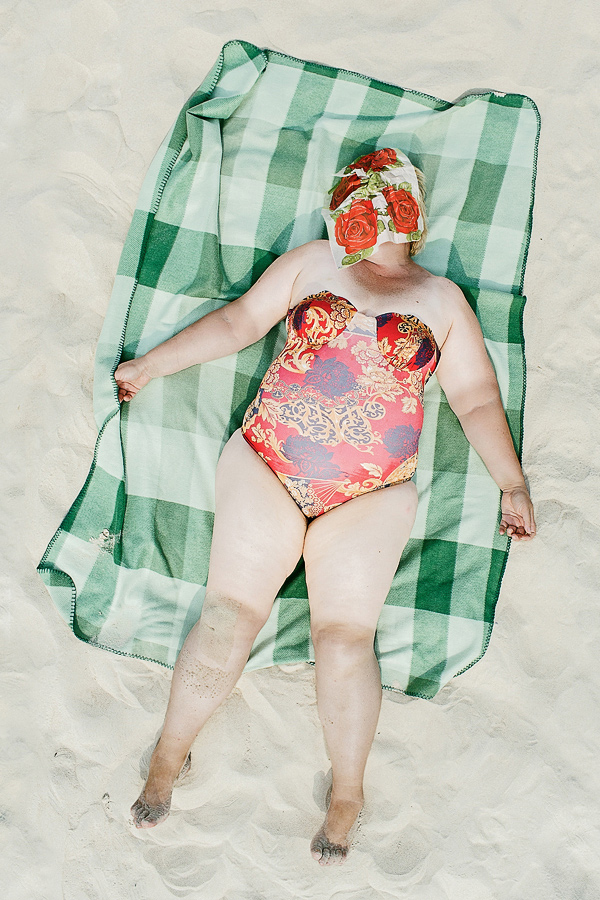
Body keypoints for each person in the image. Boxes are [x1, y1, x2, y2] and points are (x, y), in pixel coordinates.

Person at [114, 148, 536, 865]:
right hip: (269, 465)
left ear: (410, 218)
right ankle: (168, 754)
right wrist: (153, 365)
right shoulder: (314, 262)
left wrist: (512, 483)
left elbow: (474, 397)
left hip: (369, 494)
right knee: (229, 614)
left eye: (383, 203)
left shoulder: (441, 300)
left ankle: (347, 793)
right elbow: (239, 323)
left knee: (343, 641)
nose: (370, 215)